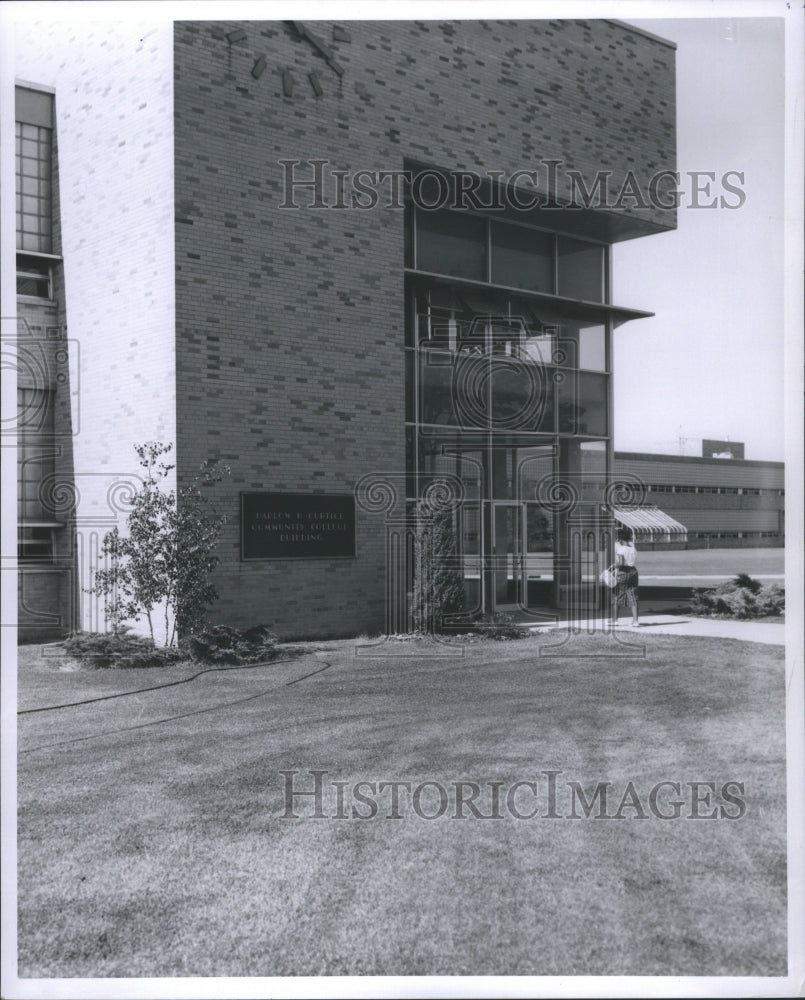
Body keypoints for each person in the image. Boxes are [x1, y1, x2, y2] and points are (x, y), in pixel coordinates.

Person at [610, 526, 639, 627]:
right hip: (634, 572)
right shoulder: (633, 548)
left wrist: (612, 568)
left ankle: (615, 620)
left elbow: (621, 563)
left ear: (620, 539)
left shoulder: (621, 549)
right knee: (632, 595)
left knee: (617, 595)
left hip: (624, 571)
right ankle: (635, 620)